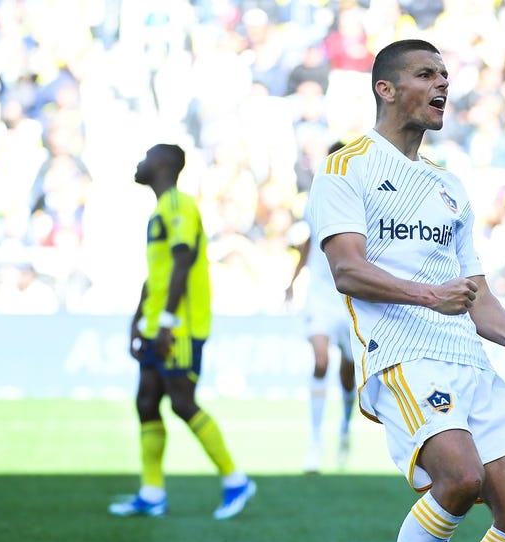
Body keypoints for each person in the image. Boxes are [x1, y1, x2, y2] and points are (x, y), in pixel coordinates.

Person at [307, 39, 505, 542]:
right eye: (426, 74)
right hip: (403, 350)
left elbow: (473, 290)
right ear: (386, 88)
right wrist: (426, 297)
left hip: (470, 359)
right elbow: (347, 269)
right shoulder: (346, 167)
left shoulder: (449, 186)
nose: (443, 84)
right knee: (461, 478)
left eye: (445, 74)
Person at [109, 144, 257, 520]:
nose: (139, 162)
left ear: (161, 164)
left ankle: (235, 480)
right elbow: (156, 275)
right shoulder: (160, 209)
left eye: (145, 156)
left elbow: (183, 262)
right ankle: (152, 492)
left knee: (181, 401)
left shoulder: (178, 205)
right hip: (157, 323)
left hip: (180, 326)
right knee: (146, 401)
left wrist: (167, 324)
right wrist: (137, 320)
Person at [285, 141, 357, 475]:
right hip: (320, 295)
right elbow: (309, 243)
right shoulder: (317, 199)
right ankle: (314, 444)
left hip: (352, 296)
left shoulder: (364, 199)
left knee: (349, 371)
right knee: (321, 359)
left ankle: (344, 427)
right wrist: (292, 281)